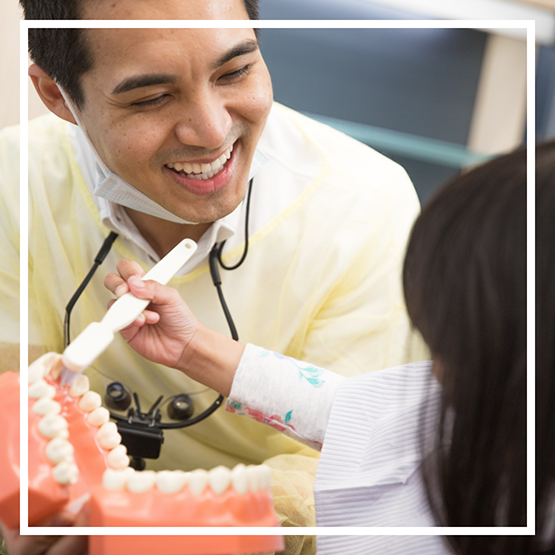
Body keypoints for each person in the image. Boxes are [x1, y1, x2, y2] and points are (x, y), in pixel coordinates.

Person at [0, 0, 428, 552]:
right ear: (57, 95)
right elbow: (14, 405)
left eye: (236, 71)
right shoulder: (15, 183)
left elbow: (346, 456)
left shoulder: (367, 204)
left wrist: (139, 534)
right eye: (152, 97)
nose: (211, 131)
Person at [102, 141, 554, 553]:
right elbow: (355, 412)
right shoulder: (486, 405)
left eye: (450, 356)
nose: (434, 372)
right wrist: (193, 347)